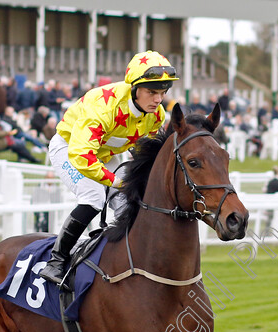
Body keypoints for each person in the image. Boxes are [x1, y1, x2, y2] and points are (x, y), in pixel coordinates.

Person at [38, 50, 178, 286]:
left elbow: (148, 155)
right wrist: (116, 181)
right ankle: (56, 260)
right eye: (152, 92)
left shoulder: (156, 116)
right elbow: (81, 156)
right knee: (93, 196)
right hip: (70, 147)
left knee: (126, 201)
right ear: (134, 89)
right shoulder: (103, 107)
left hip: (105, 152)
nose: (158, 99)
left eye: (163, 93)